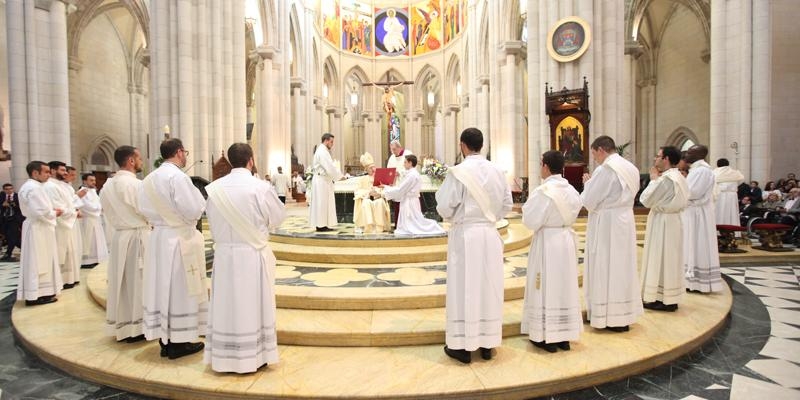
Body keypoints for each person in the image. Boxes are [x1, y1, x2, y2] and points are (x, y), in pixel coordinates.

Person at [204, 143, 287, 373]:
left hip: (223, 255)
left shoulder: (214, 189)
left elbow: (210, 217)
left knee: (227, 304)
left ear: (231, 161)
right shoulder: (260, 187)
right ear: (250, 160)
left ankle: (225, 357)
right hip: (251, 255)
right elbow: (278, 217)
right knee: (252, 305)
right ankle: (255, 356)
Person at [436, 128, 512, 364]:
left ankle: (463, 346)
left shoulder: (459, 173)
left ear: (462, 145)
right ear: (482, 145)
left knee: (464, 287)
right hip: (490, 234)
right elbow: (507, 204)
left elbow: (445, 206)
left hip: (466, 235)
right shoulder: (497, 171)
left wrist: (457, 216)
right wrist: (489, 217)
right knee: (488, 286)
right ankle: (487, 343)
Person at [138, 138, 207, 360]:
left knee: (161, 286)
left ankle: (164, 339)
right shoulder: (178, 177)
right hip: (179, 240)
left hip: (158, 237)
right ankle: (180, 341)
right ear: (179, 152)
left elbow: (142, 208)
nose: (185, 155)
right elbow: (193, 208)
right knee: (180, 288)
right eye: (184, 151)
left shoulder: (148, 180)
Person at [520, 151, 583, 353]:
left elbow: (530, 220)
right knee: (564, 286)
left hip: (548, 243)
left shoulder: (543, 191)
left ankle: (545, 336)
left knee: (545, 286)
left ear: (546, 166)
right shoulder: (572, 191)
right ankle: (563, 336)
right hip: (565, 241)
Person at [581, 135, 642, 332]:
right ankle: (623, 314)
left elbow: (589, 200)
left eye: (594, 154)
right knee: (622, 267)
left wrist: (588, 184)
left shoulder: (607, 169)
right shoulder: (630, 168)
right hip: (625, 220)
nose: (595, 159)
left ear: (601, 150)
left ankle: (608, 316)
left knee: (606, 265)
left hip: (608, 223)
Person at [100, 146, 149, 343]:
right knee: (138, 281)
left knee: (122, 283)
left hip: (120, 237)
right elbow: (146, 211)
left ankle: (124, 325)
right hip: (138, 237)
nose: (141, 162)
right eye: (139, 158)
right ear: (130, 160)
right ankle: (138, 328)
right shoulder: (135, 185)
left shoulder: (106, 186)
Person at [639, 146, 689, 312]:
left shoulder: (666, 179)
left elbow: (645, 200)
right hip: (673, 220)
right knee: (670, 259)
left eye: (658, 156)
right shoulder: (679, 177)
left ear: (666, 159)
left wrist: (653, 179)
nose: (655, 159)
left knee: (660, 258)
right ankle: (669, 297)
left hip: (663, 222)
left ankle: (661, 298)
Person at [17, 161, 62, 305]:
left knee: (37, 261)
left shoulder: (30, 186)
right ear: (35, 173)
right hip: (39, 228)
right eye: (46, 172)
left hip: (37, 227)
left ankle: (38, 293)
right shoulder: (34, 188)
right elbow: (41, 211)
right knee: (38, 262)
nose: (49, 175)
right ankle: (36, 295)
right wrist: (55, 212)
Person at [683, 144, 723, 293]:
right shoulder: (697, 170)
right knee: (691, 243)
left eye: (689, 152)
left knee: (696, 243)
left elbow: (692, 193)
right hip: (692, 211)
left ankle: (696, 280)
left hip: (697, 213)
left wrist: (678, 190)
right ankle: (690, 280)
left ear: (698, 155)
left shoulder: (701, 171)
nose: (686, 154)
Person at [44, 161, 86, 289]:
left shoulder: (61, 185)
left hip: (69, 222)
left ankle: (70, 279)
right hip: (61, 225)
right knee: (62, 252)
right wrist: (73, 213)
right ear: (52, 171)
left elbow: (69, 204)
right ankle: (62, 280)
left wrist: (74, 210)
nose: (65, 173)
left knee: (71, 251)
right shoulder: (50, 186)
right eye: (62, 170)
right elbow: (59, 207)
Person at [383, 155, 444, 235]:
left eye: (405, 162)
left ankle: (432, 226)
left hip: (410, 202)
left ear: (410, 163)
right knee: (414, 220)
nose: (403, 164)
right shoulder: (412, 173)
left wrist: (385, 188)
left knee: (414, 222)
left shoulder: (412, 175)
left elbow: (401, 189)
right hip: (410, 200)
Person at [309, 133, 343, 232]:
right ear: (326, 140)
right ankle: (321, 225)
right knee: (322, 203)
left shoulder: (322, 150)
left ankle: (322, 224)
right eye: (331, 142)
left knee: (323, 203)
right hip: (321, 181)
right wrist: (339, 176)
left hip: (323, 180)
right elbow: (330, 167)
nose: (332, 144)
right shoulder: (322, 151)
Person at [353, 152, 390, 234]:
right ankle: (369, 226)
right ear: (366, 169)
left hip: (378, 198)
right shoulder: (362, 179)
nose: (373, 169)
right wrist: (368, 193)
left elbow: (385, 189)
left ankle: (379, 226)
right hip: (368, 198)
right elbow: (357, 191)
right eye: (370, 168)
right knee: (366, 203)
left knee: (380, 203)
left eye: (374, 167)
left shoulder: (380, 177)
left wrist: (378, 193)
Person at [78, 173, 108, 268]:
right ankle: (87, 261)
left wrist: (98, 208)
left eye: (94, 180)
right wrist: (98, 209)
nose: (94, 182)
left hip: (96, 219)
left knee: (97, 240)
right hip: (87, 219)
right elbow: (85, 206)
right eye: (91, 180)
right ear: (84, 181)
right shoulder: (82, 191)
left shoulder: (93, 191)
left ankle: (97, 259)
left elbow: (100, 203)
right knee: (88, 240)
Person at [713, 158, 744, 226]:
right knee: (731, 213)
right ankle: (733, 229)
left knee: (720, 212)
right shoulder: (735, 172)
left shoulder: (715, 172)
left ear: (718, 164)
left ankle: (719, 230)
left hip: (720, 195)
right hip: (732, 196)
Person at [1, 183, 23, 261]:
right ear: (4, 190)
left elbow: (22, 208)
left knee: (12, 236)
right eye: (7, 189)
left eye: (11, 188)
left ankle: (8, 254)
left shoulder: (18, 196)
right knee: (11, 238)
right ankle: (26, 249)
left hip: (15, 219)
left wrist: (13, 205)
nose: (9, 190)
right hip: (4, 220)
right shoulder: (2, 196)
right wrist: (2, 205)